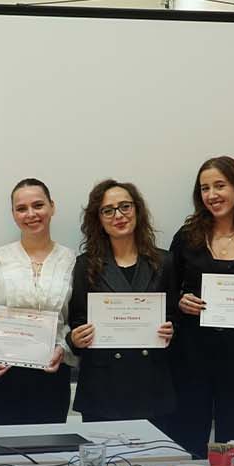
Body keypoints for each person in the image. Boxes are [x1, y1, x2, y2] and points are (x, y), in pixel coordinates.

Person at [165, 156, 234, 456]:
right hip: (191, 357)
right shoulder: (186, 238)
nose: (212, 195)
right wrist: (180, 301)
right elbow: (166, 293)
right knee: (187, 442)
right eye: (205, 188)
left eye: (219, 186)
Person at [0, 179, 77, 425]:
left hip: (51, 377)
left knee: (48, 447)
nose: (31, 214)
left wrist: (63, 348)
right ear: (13, 214)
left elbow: (74, 318)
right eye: (21, 208)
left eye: (38, 205)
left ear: (52, 207)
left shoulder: (71, 260)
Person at [65, 180, 178, 423]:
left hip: (151, 384)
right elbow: (76, 321)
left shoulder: (164, 262)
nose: (118, 215)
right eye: (108, 210)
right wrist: (76, 338)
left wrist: (172, 330)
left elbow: (175, 318)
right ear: (98, 219)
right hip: (103, 386)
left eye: (125, 206)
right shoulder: (85, 264)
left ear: (137, 210)